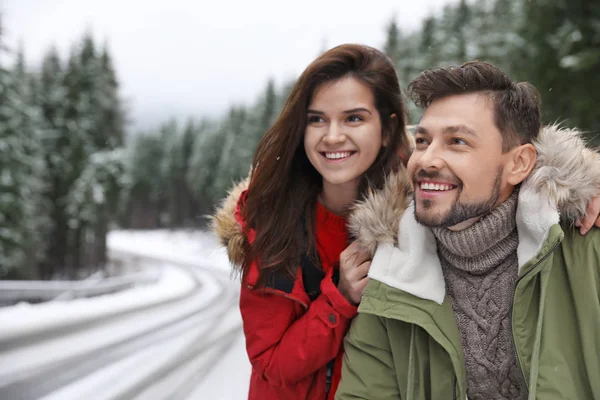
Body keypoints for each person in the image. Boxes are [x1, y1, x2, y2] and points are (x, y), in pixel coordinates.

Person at [335, 61, 600, 400]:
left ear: (519, 163)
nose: (427, 160)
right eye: (422, 141)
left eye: (457, 141)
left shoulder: (586, 251)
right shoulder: (391, 277)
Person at [212, 44, 412, 400]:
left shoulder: (417, 224)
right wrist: (339, 297)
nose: (332, 136)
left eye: (354, 118)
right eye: (317, 119)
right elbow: (271, 363)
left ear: (386, 129)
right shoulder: (273, 225)